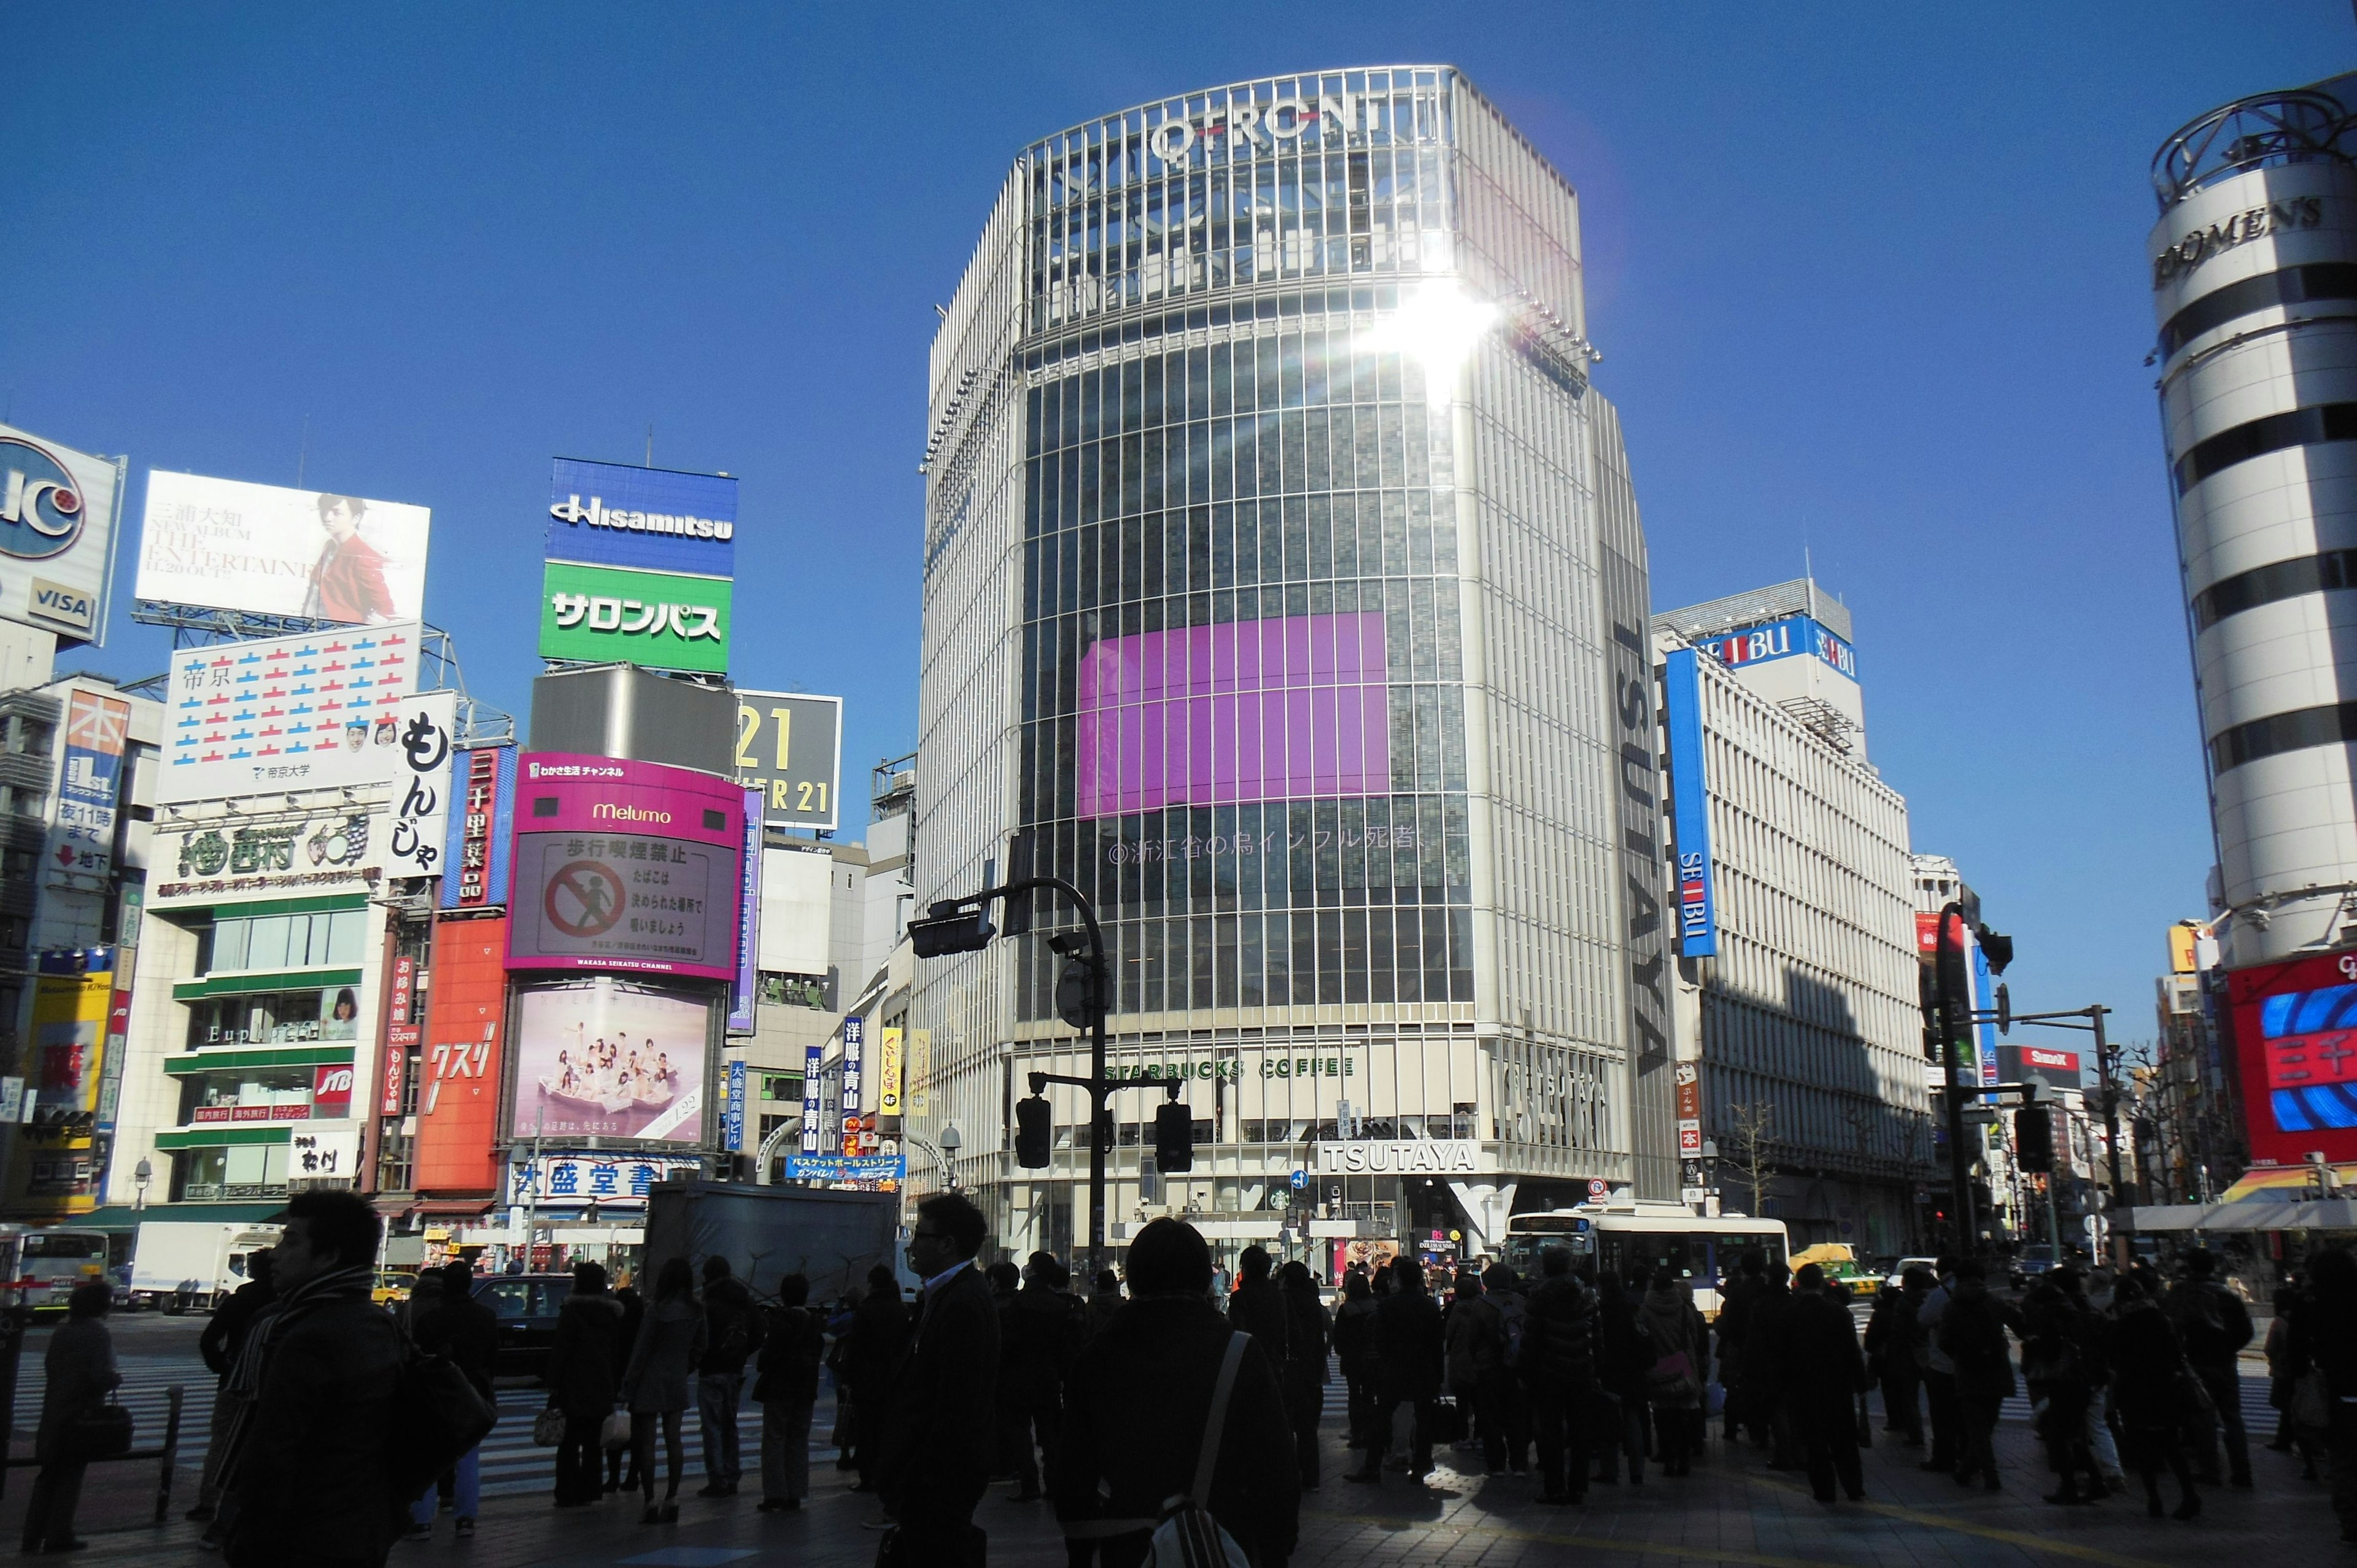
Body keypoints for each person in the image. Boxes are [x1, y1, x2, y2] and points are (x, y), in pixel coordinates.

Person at [1052, 1218, 1299, 1567]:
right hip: (1222, 1542)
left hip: (1127, 1545)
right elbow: (1275, 1467)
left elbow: (1074, 1474)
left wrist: (1081, 1551)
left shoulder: (1096, 1358)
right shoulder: (1238, 1354)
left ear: (1134, 1277)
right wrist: (1275, 1548)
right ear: (1203, 1278)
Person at [219, 1190, 407, 1568]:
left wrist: (251, 1534)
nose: (274, 1254)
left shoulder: (305, 1334)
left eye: (291, 1240)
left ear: (328, 1256)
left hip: (301, 1536)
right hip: (360, 1529)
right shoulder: (380, 1324)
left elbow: (272, 1449)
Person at [880, 1192, 1000, 1561]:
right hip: (938, 1473)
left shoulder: (961, 1302)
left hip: (939, 1479)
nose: (914, 1245)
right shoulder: (951, 1295)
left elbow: (955, 1402)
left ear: (947, 1244)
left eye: (921, 1235)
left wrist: (922, 1476)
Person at [22, 1280, 120, 1554]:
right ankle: (59, 1535)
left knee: (48, 1475)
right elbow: (100, 1377)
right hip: (80, 1415)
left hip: (54, 1410)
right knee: (70, 1477)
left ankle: (31, 1537)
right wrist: (115, 1379)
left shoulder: (63, 1331)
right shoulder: (96, 1333)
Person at [407, 1259, 497, 1539]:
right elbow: (492, 1358)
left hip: (438, 1394)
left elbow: (417, 1359)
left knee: (430, 1457)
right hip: (474, 1392)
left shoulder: (430, 1319)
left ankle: (422, 1521)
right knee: (469, 1458)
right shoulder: (486, 1316)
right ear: (470, 1284)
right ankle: (466, 1520)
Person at [189, 1248, 274, 1529]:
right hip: (269, 1385)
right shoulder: (283, 1302)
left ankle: (208, 1501)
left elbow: (208, 1341)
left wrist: (224, 1369)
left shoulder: (237, 1301)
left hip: (232, 1382)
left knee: (221, 1443)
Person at [2108, 1273, 2202, 1520]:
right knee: (2171, 1445)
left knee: (2143, 1448)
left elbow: (2115, 1360)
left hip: (2135, 1394)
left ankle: (2154, 1499)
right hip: (2166, 1391)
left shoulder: (2122, 1326)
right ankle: (2189, 1495)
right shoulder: (2162, 1320)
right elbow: (2178, 1354)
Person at [1346, 1256, 1444, 1485]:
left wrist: (1388, 1361)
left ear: (1398, 1280)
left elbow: (1380, 1340)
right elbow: (1437, 1343)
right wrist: (1438, 1374)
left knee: (1382, 1418)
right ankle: (1421, 1466)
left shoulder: (1389, 1306)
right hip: (1425, 1370)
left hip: (1396, 1369)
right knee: (1424, 1420)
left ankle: (1372, 1467)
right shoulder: (1430, 1306)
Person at [621, 1257, 705, 1523]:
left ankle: (650, 1501)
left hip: (649, 1380)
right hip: (676, 1379)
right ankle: (673, 1498)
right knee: (674, 1440)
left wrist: (628, 1387)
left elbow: (640, 1352)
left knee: (646, 1444)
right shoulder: (696, 1312)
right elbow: (702, 1346)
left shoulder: (657, 1311)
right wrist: (686, 1366)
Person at [2163, 1247, 2254, 1488]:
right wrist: (2229, 1348)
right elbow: (2246, 1331)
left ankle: (2210, 1470)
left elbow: (2170, 1329)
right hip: (2224, 1362)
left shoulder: (2181, 1293)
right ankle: (2242, 1471)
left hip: (2195, 1363)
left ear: (2189, 1267)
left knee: (2203, 1418)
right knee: (2233, 1417)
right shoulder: (2228, 1295)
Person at [2285, 1247, 2357, 1540]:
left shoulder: (2308, 1301)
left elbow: (2296, 1353)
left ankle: (2351, 1524)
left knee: (2343, 1461)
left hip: (2333, 1391)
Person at [1517, 1246, 1597, 1503]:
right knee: (1581, 1431)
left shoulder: (1539, 1296)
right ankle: (1578, 1487)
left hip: (1550, 1373)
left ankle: (1554, 1487)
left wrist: (1526, 1373)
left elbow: (1531, 1340)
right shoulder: (1587, 1295)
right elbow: (1598, 1338)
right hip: (1582, 1372)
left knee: (1550, 1433)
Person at [1004, 1251, 1086, 1500]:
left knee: (1020, 1431)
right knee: (1049, 1432)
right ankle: (1053, 1482)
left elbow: (1009, 1343)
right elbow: (1066, 1347)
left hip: (1020, 1375)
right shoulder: (1061, 1306)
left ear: (1033, 1271)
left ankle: (1029, 1484)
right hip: (1049, 1376)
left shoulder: (1017, 1304)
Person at [1784, 1264, 1869, 1502]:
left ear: (1799, 1285)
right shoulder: (1838, 1312)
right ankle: (1854, 1487)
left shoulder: (1791, 1314)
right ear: (1822, 1283)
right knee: (1845, 1440)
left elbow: (1783, 1354)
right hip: (1838, 1386)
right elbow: (1853, 1352)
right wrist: (1860, 1383)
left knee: (1815, 1442)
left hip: (1805, 1387)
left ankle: (1824, 1490)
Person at [546, 1261, 627, 1506]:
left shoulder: (571, 1313)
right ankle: (592, 1488)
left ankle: (567, 1491)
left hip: (573, 1383)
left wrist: (553, 1383)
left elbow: (561, 1350)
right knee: (593, 1442)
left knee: (569, 1442)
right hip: (601, 1385)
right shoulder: (612, 1315)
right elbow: (617, 1353)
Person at [2019, 1270, 2102, 1505]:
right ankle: (2096, 1482)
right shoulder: (2083, 1308)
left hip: (2065, 1380)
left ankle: (2070, 1486)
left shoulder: (2055, 1315)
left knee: (2059, 1435)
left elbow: (2049, 1350)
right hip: (2085, 1378)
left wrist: (2035, 1343)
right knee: (2074, 1434)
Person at [1939, 1257, 2018, 1491]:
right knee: (1988, 1424)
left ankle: (1979, 1471)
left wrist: (1961, 1356)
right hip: (1996, 1369)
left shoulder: (1952, 1306)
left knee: (1976, 1427)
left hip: (1967, 1373)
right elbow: (2020, 1325)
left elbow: (1944, 1342)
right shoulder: (1995, 1301)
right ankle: (1973, 1470)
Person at [754, 1273, 825, 1513]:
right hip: (806, 1389)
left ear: (784, 1295)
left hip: (780, 1388)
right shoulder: (815, 1323)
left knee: (775, 1438)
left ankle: (775, 1494)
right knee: (798, 1440)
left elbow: (768, 1356)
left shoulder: (781, 1321)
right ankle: (796, 1492)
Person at [695, 1254, 764, 1498]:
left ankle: (718, 1478)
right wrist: (742, 1353)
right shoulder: (745, 1301)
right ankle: (732, 1474)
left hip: (711, 1368)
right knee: (729, 1425)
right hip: (735, 1369)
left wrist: (698, 1359)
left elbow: (700, 1339)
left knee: (712, 1426)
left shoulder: (708, 1303)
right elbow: (758, 1334)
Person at [842, 1265, 911, 1492]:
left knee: (867, 1431)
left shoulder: (866, 1310)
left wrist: (849, 1377)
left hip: (867, 1378)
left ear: (871, 1284)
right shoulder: (900, 1310)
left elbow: (855, 1348)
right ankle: (886, 1474)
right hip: (892, 1378)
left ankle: (867, 1476)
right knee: (887, 1430)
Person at [1639, 1270, 1704, 1477]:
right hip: (1683, 1369)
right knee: (1683, 1416)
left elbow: (1642, 1339)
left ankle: (1668, 1459)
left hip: (1658, 1368)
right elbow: (1693, 1339)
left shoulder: (1645, 1310)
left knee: (1663, 1418)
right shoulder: (1685, 1309)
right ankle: (1684, 1459)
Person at [1592, 1272, 1650, 1487]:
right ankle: (1637, 1470)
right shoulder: (1630, 1308)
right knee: (1632, 1420)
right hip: (1633, 1372)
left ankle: (1610, 1469)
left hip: (1609, 1372)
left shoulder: (1600, 1311)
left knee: (1608, 1422)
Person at [1278, 1261, 1332, 1488]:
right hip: (1311, 1373)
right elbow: (1321, 1342)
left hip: (1288, 1371)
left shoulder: (1282, 1302)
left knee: (1286, 1428)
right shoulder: (1315, 1306)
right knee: (1308, 1430)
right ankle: (1311, 1477)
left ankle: (1288, 1475)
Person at [303, 493, 397, 623]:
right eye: (324, 510)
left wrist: (355, 636)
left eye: (337, 513)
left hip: (340, 632)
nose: (327, 518)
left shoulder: (363, 555)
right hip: (317, 628)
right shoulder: (330, 546)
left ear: (356, 518)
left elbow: (385, 610)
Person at [1862, 1267, 1925, 1447]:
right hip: (1922, 1355)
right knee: (1911, 1396)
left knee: (1896, 1394)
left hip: (1896, 1357)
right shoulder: (1926, 1302)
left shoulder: (1897, 1308)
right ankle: (1912, 1428)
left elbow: (1876, 1337)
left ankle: (1905, 1427)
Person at [1915, 1256, 1962, 1472]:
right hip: (1972, 1363)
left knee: (1943, 1415)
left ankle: (1944, 1457)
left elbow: (1923, 1319)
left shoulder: (1941, 1294)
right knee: (1966, 1415)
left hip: (1943, 1364)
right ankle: (1971, 1455)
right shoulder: (1979, 1293)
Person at [1331, 1271, 1380, 1451]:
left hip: (1352, 1358)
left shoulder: (1347, 1309)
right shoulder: (1375, 1306)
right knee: (1370, 1395)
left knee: (1354, 1394)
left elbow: (1340, 1336)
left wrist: (1341, 1351)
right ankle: (1371, 1430)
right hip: (1372, 1357)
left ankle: (1357, 1431)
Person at [608, 1280, 646, 1494]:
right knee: (638, 1434)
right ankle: (633, 1477)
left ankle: (613, 1478)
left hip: (617, 1381)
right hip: (640, 1383)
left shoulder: (616, 1325)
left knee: (615, 1432)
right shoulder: (643, 1326)